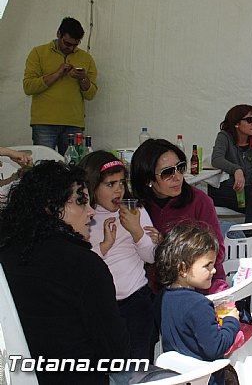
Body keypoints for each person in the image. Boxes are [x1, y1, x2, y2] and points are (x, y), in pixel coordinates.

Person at [0, 161, 129, 384]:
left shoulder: (6, 252)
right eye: (81, 202)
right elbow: (116, 354)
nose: (91, 213)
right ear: (52, 207)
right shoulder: (84, 266)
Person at [79, 151, 159, 360]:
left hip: (136, 301)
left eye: (122, 182)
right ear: (91, 185)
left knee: (138, 362)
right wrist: (104, 246)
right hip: (101, 305)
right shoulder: (83, 216)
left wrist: (137, 232)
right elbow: (80, 265)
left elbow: (151, 256)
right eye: (110, 184)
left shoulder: (134, 210)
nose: (119, 190)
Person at [131, 138, 228, 294]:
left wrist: (168, 245)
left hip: (201, 287)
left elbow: (218, 252)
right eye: (167, 172)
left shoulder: (199, 201)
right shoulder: (137, 208)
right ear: (148, 179)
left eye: (180, 168)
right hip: (154, 290)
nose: (177, 177)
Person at [155, 224, 240, 385]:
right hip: (205, 378)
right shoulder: (199, 305)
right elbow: (216, 347)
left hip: (177, 376)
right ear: (183, 269)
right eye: (207, 266)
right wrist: (231, 322)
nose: (214, 270)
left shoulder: (162, 298)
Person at [23, 17, 98, 155]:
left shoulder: (86, 58)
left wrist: (83, 79)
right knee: (44, 166)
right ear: (58, 34)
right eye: (67, 43)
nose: (71, 48)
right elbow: (28, 87)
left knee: (74, 168)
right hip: (44, 122)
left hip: (74, 123)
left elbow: (91, 94)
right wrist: (57, 74)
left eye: (76, 44)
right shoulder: (38, 53)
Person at [209, 104, 252, 223]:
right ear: (236, 124)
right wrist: (236, 170)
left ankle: (250, 236)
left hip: (246, 190)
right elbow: (216, 159)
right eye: (249, 120)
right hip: (225, 190)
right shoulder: (224, 137)